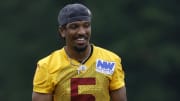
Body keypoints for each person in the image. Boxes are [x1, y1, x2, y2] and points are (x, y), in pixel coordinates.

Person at [32, 3, 127, 101]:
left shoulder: (110, 61)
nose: (82, 32)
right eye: (74, 27)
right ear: (62, 31)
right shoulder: (47, 66)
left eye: (86, 26)